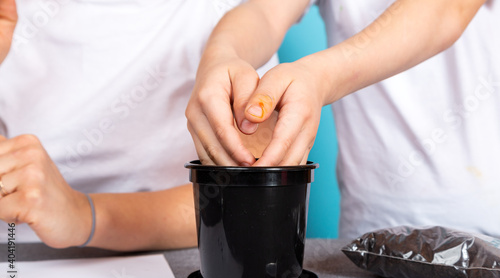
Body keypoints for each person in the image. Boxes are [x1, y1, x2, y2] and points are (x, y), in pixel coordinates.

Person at [186, 0, 500, 239]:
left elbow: (443, 11)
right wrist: (220, 56)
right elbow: (265, 12)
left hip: (486, 227)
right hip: (371, 233)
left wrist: (319, 77)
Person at [0, 0, 277, 250]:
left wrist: (86, 216)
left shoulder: (234, 21)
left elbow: (248, 198)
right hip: (16, 258)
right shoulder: (11, 17)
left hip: (172, 264)